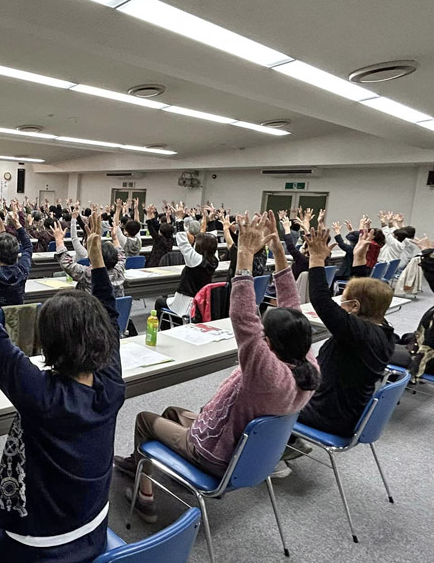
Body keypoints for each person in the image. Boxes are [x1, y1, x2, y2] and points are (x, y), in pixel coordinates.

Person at [115, 212, 320, 520]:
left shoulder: (265, 372)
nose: (260, 331)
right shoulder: (307, 365)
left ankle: (144, 497)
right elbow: (292, 305)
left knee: (145, 419)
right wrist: (278, 250)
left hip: (216, 453)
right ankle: (139, 461)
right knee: (171, 412)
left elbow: (243, 317)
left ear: (271, 343)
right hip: (242, 448)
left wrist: (244, 258)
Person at [0, 203, 124, 563]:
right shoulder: (111, 383)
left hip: (37, 548)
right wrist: (96, 256)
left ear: (46, 344)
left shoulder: (42, 396)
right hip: (95, 528)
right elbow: (110, 314)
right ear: (101, 338)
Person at [293, 226, 394, 440]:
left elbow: (320, 299)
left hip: (327, 415)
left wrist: (317, 260)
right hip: (347, 410)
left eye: (344, 301)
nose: (342, 305)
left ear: (355, 307)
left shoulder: (358, 333)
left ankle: (270, 457)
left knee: (262, 393)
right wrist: (359, 259)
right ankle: (288, 442)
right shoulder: (382, 329)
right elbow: (366, 292)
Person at [154, 223, 219, 320]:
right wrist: (211, 221)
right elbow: (213, 240)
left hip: (186, 302)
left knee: (159, 302)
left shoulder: (195, 260)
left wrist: (179, 221)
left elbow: (183, 243)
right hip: (202, 301)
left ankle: (164, 328)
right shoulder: (214, 260)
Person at [0, 203, 33, 311]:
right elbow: (28, 247)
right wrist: (18, 225)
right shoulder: (22, 269)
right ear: (17, 253)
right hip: (16, 321)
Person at [55, 222, 126, 297]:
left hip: (91, 308)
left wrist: (59, 240)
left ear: (93, 258)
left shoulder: (89, 274)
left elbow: (67, 263)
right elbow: (121, 255)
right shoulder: (119, 271)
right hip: (115, 308)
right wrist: (115, 238)